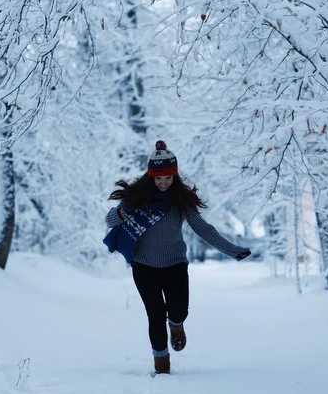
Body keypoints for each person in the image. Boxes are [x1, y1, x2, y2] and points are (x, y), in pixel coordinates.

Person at [103, 140, 251, 375]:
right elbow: (110, 221)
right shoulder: (137, 197)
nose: (163, 183)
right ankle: (162, 365)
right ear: (151, 176)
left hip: (175, 265)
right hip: (143, 266)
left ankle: (177, 325)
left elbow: (204, 229)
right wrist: (121, 212)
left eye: (168, 178)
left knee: (178, 310)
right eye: (158, 178)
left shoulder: (180, 201)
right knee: (155, 316)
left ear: (174, 176)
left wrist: (232, 250)